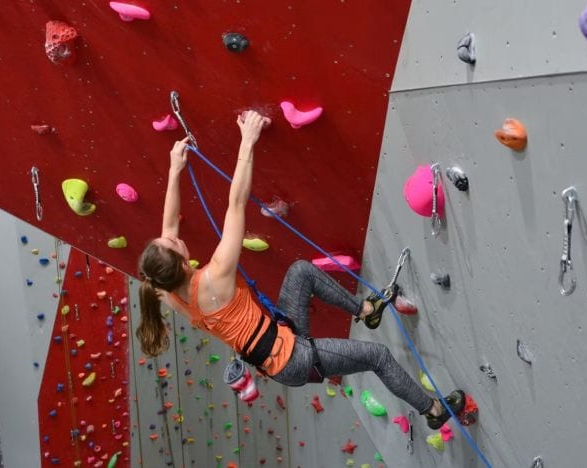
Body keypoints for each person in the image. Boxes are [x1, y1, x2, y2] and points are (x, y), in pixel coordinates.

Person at [136, 110, 465, 429]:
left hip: (279, 337)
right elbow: (236, 203)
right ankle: (433, 410)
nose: (172, 239)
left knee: (300, 272)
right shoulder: (215, 274)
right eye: (172, 244)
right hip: (294, 358)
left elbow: (168, 231)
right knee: (377, 356)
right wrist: (247, 140)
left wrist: (175, 169)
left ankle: (366, 310)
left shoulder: (166, 291)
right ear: (181, 262)